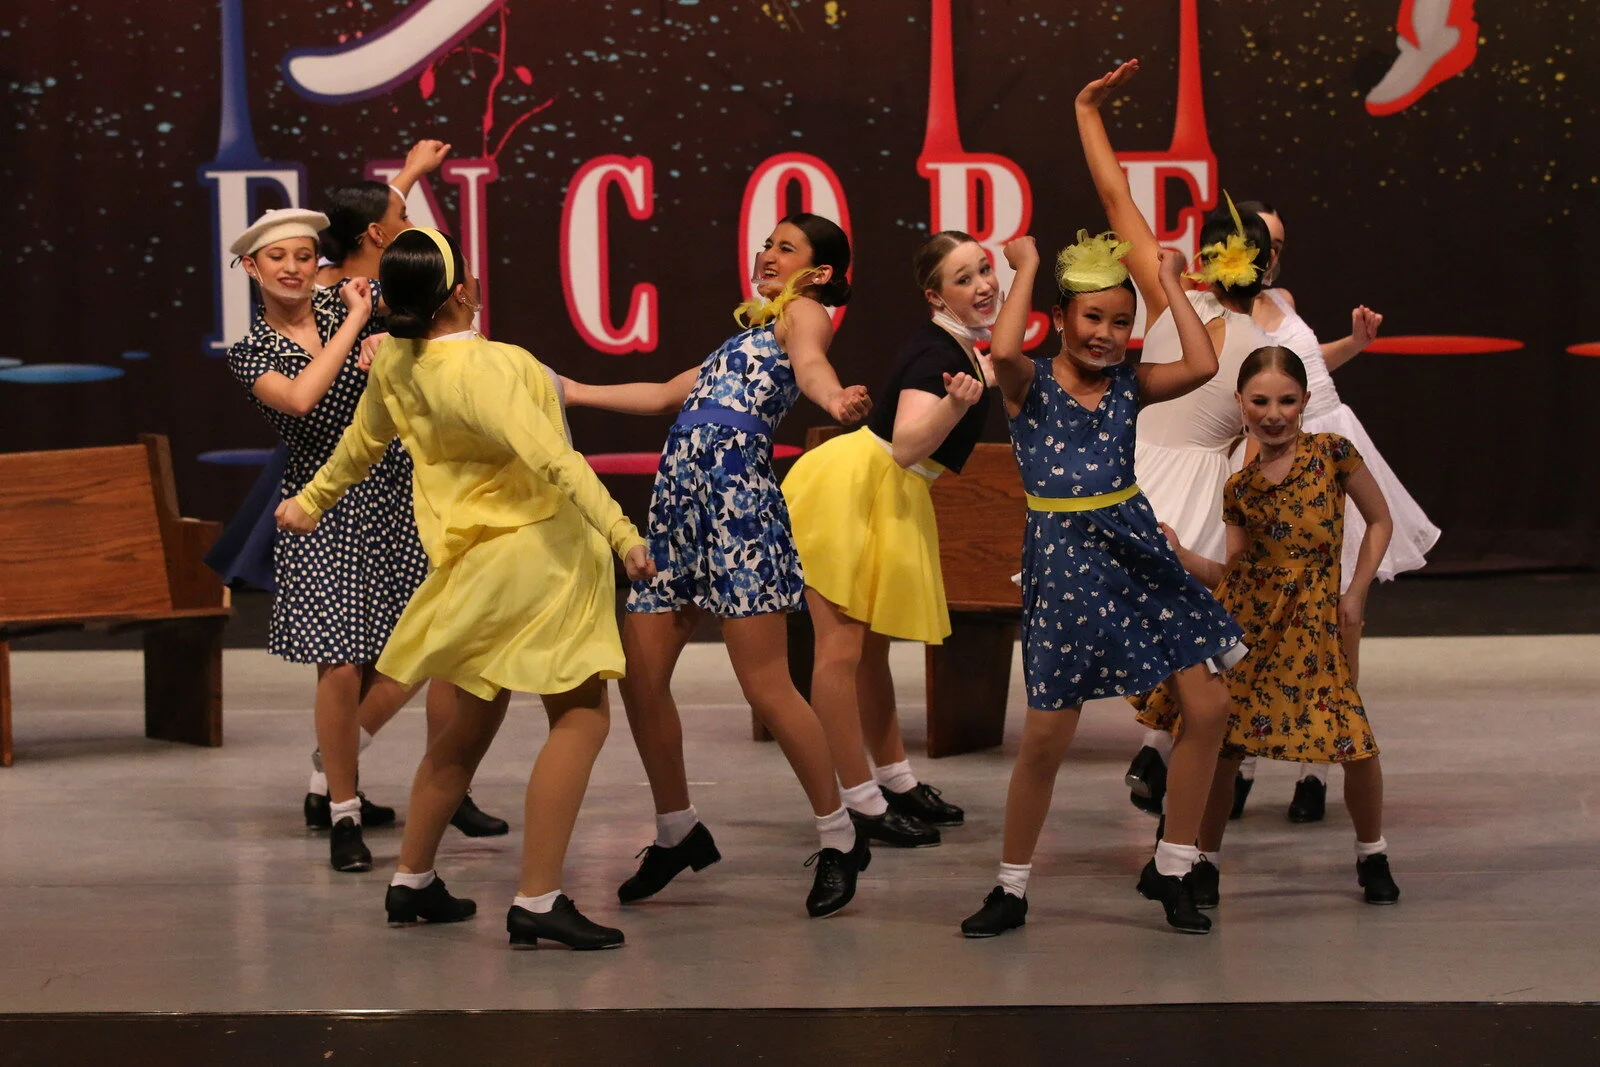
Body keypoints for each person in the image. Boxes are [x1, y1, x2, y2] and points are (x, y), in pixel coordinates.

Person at [277, 227, 656, 949]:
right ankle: (538, 897)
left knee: (469, 724)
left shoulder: (397, 364)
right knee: (581, 715)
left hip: (472, 566)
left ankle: (412, 879)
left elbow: (360, 445)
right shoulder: (495, 366)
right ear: (460, 292)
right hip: (541, 560)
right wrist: (623, 533)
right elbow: (556, 460)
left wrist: (311, 502)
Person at [562, 213, 877, 918]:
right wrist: (571, 391)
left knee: (766, 685)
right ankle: (677, 830)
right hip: (679, 508)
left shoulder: (802, 313)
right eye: (767, 243)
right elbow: (662, 394)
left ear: (819, 272)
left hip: (738, 507)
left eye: (786, 247)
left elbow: (812, 365)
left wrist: (833, 398)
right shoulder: (743, 337)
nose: (768, 253)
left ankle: (839, 834)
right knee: (640, 677)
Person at [959, 230, 1245, 938]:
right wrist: (1026, 266)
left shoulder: (1130, 384)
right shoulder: (1028, 384)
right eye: (1093, 318)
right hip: (1065, 565)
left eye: (1122, 322)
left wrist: (1170, 282)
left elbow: (1204, 363)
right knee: (1046, 737)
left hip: (1138, 551)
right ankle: (1011, 887)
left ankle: (1173, 867)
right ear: (1060, 318)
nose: (1107, 335)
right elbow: (1002, 351)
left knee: (1209, 706)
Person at [1075, 60, 1274, 820]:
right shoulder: (1266, 346)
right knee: (1210, 650)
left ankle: (1166, 760)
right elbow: (1262, 446)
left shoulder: (1170, 303)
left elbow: (1114, 198)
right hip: (1191, 495)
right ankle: (1182, 777)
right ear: (1264, 267)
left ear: (1207, 256)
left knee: (1167, 646)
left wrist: (1089, 112)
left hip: (1126, 481)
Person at [1138, 346, 1400, 908]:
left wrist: (1356, 590)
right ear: (1240, 402)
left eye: (1286, 400)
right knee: (1224, 747)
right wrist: (1180, 555)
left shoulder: (1332, 454)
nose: (1273, 413)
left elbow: (1381, 520)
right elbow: (1233, 573)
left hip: (1316, 629)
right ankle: (1206, 862)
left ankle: (1371, 853)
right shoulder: (1240, 487)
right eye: (1260, 401)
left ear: (1305, 401)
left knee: (1354, 744)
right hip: (1250, 630)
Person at [779, 230, 1001, 844]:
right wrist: (955, 406)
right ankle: (859, 800)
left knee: (869, 652)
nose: (983, 285)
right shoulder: (938, 355)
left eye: (985, 269)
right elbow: (905, 446)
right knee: (842, 652)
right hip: (854, 489)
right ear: (936, 295)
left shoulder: (958, 346)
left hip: (885, 492)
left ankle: (894, 780)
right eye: (964, 278)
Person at [1221, 201, 1439, 823]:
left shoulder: (1282, 299)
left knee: (1340, 617)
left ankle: (1317, 767)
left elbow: (1306, 366)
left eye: (1279, 244)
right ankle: (1245, 759)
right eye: (1260, 243)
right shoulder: (1217, 311)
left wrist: (1356, 344)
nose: (1271, 255)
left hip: (1327, 448)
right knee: (1258, 614)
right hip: (1266, 457)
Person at [225, 208, 428, 872]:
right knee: (339, 662)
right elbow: (301, 398)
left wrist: (386, 334)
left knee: (411, 648)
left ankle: (328, 770)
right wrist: (355, 326)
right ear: (251, 267)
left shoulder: (354, 303)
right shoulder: (251, 350)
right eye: (276, 257)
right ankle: (344, 811)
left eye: (303, 256)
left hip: (393, 491)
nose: (292, 268)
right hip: (318, 505)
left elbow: (424, 312)